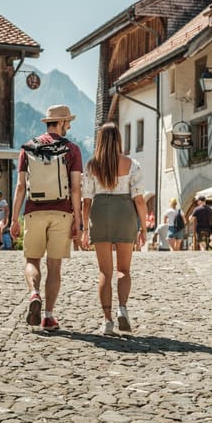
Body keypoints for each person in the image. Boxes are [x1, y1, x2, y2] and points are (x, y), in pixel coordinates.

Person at [10, 104, 82, 332]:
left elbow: (20, 186)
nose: (69, 125)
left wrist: (14, 219)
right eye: (67, 121)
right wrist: (78, 221)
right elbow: (76, 188)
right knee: (54, 265)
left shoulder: (28, 148)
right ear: (60, 122)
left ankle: (34, 294)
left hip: (34, 210)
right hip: (62, 212)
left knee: (32, 260)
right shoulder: (72, 149)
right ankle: (49, 317)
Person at [81, 122, 147, 335]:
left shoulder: (92, 166)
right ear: (119, 140)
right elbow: (139, 200)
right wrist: (143, 227)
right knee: (124, 270)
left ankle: (108, 321)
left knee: (104, 272)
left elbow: (86, 201)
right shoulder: (132, 164)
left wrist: (84, 228)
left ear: (99, 141)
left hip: (100, 213)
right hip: (124, 213)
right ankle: (122, 309)